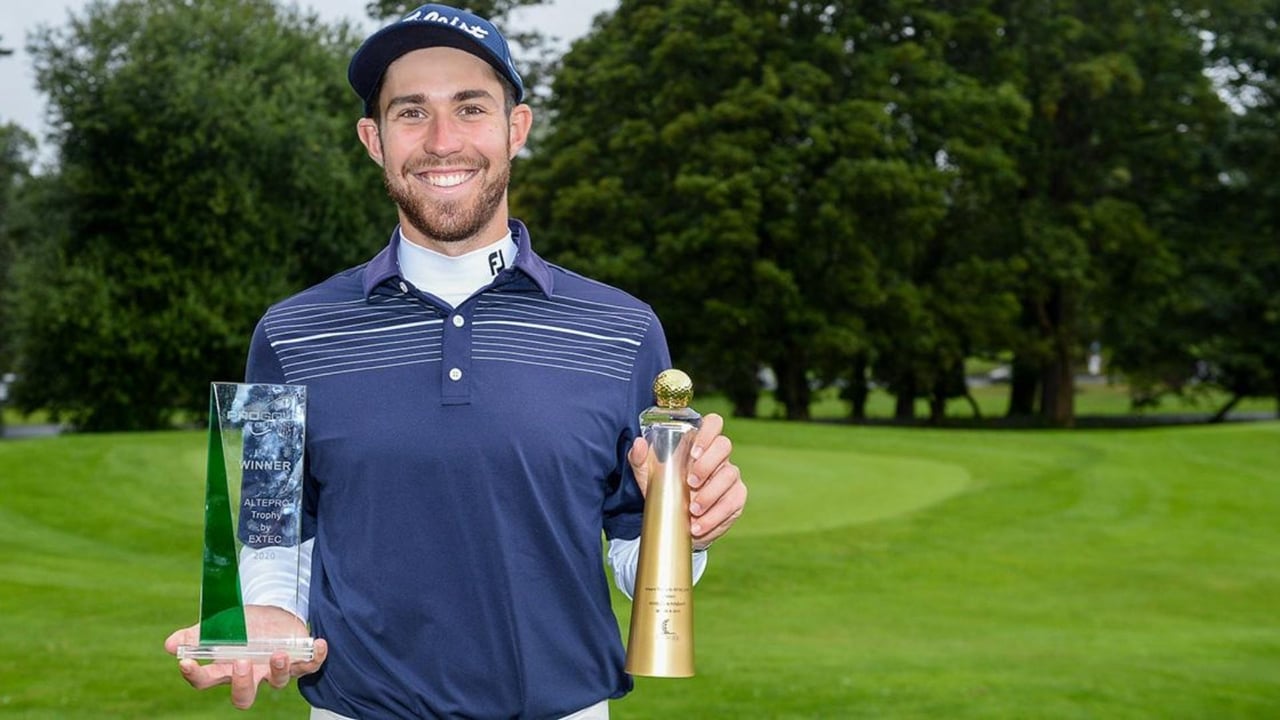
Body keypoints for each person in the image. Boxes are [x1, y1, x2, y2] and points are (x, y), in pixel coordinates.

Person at [164, 4, 748, 719]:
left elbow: (635, 554)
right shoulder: (289, 332)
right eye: (412, 112)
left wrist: (684, 528)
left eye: (470, 108)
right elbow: (268, 526)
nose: (443, 141)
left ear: (516, 129)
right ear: (373, 140)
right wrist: (270, 612)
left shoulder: (623, 329)